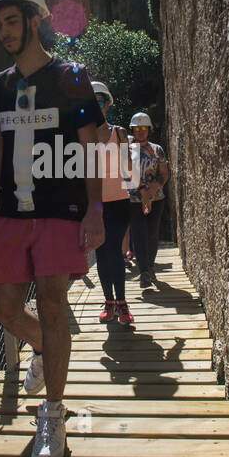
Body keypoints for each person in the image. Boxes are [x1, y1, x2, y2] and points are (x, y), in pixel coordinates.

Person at [0, 0, 106, 457]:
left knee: (51, 302)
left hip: (60, 211)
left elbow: (92, 147)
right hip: (12, 215)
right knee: (4, 307)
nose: (4, 32)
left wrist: (96, 209)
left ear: (35, 18)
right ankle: (47, 349)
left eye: (11, 22)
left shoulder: (71, 78)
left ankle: (53, 415)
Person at [90, 82, 134, 326]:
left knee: (115, 251)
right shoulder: (80, 134)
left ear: (107, 104)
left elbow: (129, 168)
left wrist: (138, 195)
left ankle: (122, 303)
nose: (96, 104)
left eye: (100, 100)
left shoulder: (120, 133)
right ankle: (109, 302)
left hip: (119, 201)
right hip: (95, 205)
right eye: (92, 100)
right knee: (101, 254)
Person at [127, 113, 169, 289]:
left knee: (152, 233)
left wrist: (152, 190)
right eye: (137, 129)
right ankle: (144, 271)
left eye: (144, 128)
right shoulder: (127, 150)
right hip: (134, 200)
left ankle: (150, 266)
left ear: (149, 130)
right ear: (132, 130)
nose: (140, 132)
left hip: (156, 198)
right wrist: (143, 192)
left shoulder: (157, 149)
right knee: (138, 234)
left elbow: (164, 173)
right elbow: (126, 175)